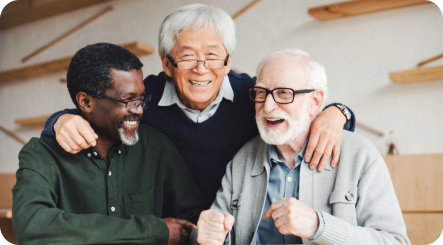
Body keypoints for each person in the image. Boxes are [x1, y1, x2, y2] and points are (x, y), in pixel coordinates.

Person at [41, 4, 356, 204]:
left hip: (235, 227)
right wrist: (59, 119)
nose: (201, 67)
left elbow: (300, 111)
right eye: (188, 55)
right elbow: (98, 111)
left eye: (213, 55)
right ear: (167, 64)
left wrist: (338, 113)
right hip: (167, 229)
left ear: (228, 61)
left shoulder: (253, 95)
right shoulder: (145, 96)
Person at [195, 49, 410, 245]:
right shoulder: (242, 160)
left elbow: (396, 242)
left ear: (316, 102)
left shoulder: (360, 156)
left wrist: (319, 226)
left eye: (283, 94)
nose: (267, 106)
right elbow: (213, 234)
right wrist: (202, 237)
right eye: (261, 93)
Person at [12, 43, 207, 245]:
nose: (139, 110)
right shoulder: (41, 154)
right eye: (128, 100)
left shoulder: (156, 146)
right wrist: (152, 231)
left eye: (141, 99)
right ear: (86, 103)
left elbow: (194, 217)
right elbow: (32, 226)